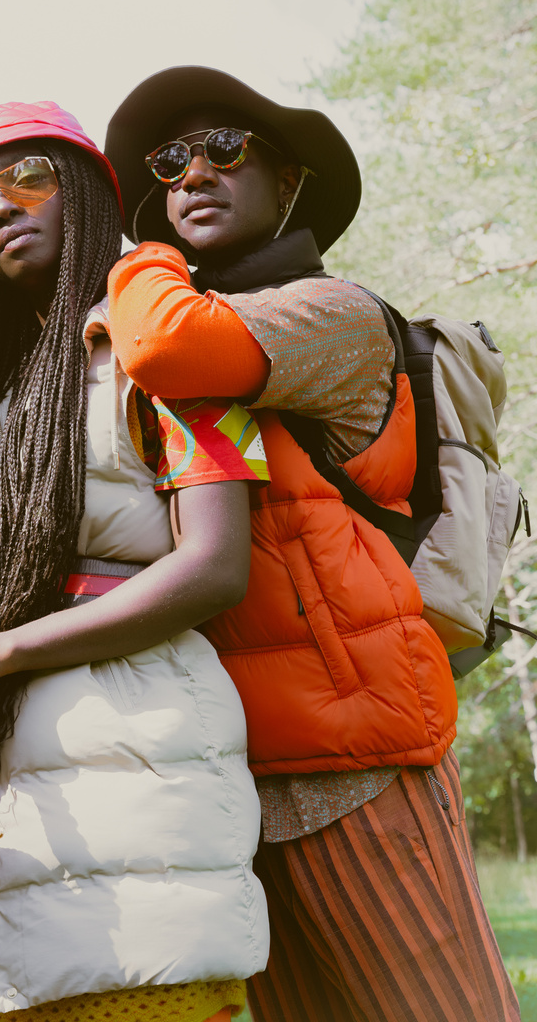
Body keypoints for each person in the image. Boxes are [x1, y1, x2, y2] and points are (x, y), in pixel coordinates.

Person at [103, 66, 521, 1022]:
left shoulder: (330, 316)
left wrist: (140, 252)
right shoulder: (208, 354)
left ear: (288, 182)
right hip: (239, 777)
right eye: (170, 164)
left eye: (224, 150)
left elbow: (166, 344)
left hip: (359, 761)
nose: (193, 174)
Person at [0, 100, 271, 1022]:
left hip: (138, 768)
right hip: (15, 794)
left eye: (28, 179)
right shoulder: (6, 402)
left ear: (87, 191)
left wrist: (0, 651)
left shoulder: (170, 349)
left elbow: (214, 567)